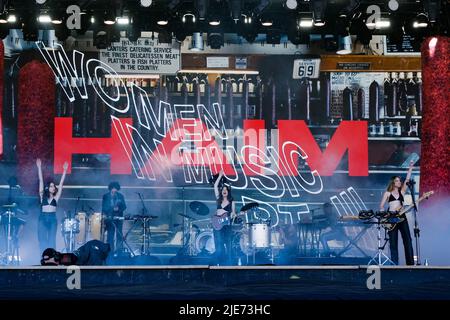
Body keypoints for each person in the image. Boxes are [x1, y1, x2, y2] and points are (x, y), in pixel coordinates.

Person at [379, 160, 415, 265]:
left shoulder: (402, 191)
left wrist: (411, 167)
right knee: (393, 242)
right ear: (393, 182)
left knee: (407, 239)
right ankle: (395, 264)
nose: (400, 182)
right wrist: (383, 214)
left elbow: (407, 179)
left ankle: (410, 263)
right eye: (398, 181)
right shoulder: (387, 193)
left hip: (402, 217)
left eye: (400, 181)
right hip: (391, 217)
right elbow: (381, 206)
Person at [36, 158, 68, 255]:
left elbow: (61, 184)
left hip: (52, 219)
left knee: (51, 240)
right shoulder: (42, 196)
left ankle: (52, 258)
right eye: (51, 186)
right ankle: (43, 257)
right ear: (47, 188)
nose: (53, 188)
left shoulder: (56, 198)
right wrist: (39, 167)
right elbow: (41, 181)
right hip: (42, 218)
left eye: (54, 186)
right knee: (42, 239)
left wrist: (65, 171)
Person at [213, 170, 236, 264]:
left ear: (228, 191)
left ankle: (229, 263)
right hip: (217, 226)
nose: (224, 191)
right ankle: (219, 263)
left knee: (228, 244)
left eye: (226, 190)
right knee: (219, 245)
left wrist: (233, 214)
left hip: (226, 225)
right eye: (223, 190)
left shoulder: (232, 201)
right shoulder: (218, 199)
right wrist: (220, 176)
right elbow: (215, 186)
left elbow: (233, 212)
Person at [102, 181, 126, 254]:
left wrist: (119, 209)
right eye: (113, 189)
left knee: (119, 235)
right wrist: (111, 209)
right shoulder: (106, 196)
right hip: (109, 218)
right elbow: (103, 207)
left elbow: (124, 206)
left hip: (119, 218)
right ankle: (110, 251)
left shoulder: (120, 196)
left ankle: (119, 251)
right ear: (110, 189)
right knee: (110, 235)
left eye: (116, 189)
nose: (114, 190)